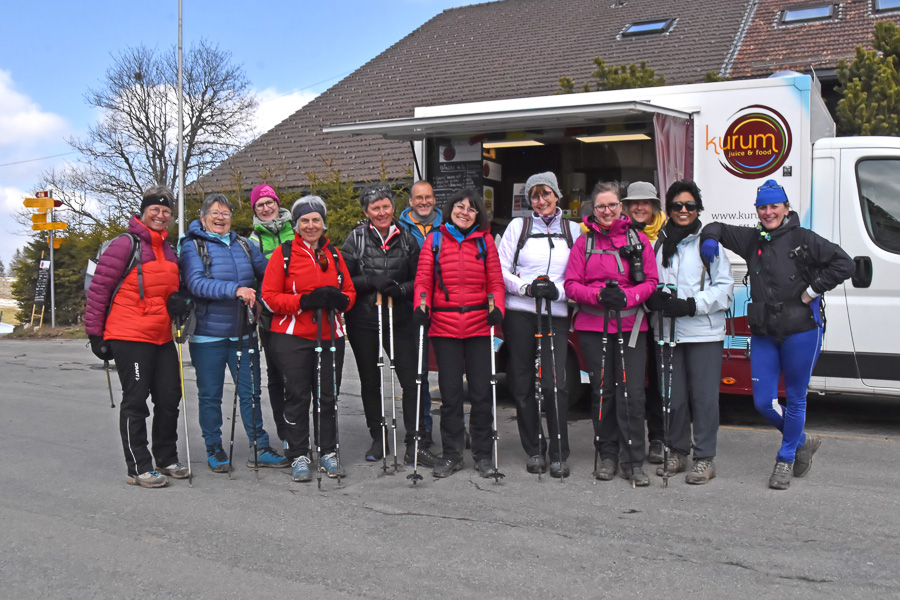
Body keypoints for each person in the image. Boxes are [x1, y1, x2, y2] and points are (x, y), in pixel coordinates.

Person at [701, 179, 853, 490]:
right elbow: (715, 226)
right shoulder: (751, 239)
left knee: (795, 399)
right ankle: (802, 441)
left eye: (774, 206)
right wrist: (709, 240)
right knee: (763, 402)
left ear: (786, 208)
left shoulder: (803, 238)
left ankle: (785, 459)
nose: (768, 212)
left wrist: (813, 290)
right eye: (762, 207)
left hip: (802, 330)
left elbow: (845, 264)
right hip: (764, 333)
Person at [85, 185, 188, 488]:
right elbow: (99, 290)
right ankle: (139, 466)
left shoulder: (169, 249)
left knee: (169, 398)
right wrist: (95, 334)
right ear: (143, 211)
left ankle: (166, 458)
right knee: (136, 401)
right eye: (155, 209)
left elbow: (174, 290)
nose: (161, 215)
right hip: (129, 335)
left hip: (162, 336)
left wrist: (180, 301)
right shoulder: (125, 245)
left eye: (166, 211)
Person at [180, 193, 289, 473]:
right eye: (215, 213)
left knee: (251, 393)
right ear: (203, 217)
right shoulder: (193, 245)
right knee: (210, 395)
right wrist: (235, 290)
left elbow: (268, 275)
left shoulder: (243, 244)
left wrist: (264, 297)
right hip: (208, 336)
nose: (220, 218)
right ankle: (214, 447)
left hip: (244, 331)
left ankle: (259, 446)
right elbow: (196, 283)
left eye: (225, 213)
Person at [564, 181, 659, 486]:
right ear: (593, 209)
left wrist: (628, 297)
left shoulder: (638, 240)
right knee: (602, 392)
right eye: (601, 206)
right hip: (594, 328)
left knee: (632, 393)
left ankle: (633, 460)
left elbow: (651, 281)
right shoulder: (584, 243)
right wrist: (598, 296)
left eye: (612, 205)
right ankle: (607, 455)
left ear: (621, 207)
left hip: (631, 327)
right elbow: (571, 284)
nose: (607, 211)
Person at [342, 183, 440, 467]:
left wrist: (401, 290)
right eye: (375, 208)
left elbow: (419, 278)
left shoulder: (407, 239)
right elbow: (344, 279)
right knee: (370, 381)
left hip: (400, 320)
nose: (382, 212)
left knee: (412, 381)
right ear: (366, 212)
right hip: (364, 321)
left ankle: (415, 441)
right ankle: (378, 436)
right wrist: (370, 281)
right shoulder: (356, 239)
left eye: (386, 206)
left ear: (393, 207)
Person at [261, 196, 356, 482]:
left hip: (329, 336)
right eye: (305, 220)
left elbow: (349, 292)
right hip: (292, 336)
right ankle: (299, 453)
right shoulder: (284, 254)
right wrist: (304, 301)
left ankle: (328, 451)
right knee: (297, 396)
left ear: (323, 224)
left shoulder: (334, 254)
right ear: (296, 224)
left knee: (327, 396)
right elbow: (269, 297)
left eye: (316, 220)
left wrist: (340, 300)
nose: (311, 225)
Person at [644, 180, 733, 484]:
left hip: (703, 333)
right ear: (668, 209)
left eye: (690, 205)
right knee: (673, 398)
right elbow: (649, 281)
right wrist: (652, 298)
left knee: (704, 398)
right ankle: (677, 451)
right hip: (666, 332)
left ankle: (704, 458)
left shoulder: (709, 244)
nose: (684, 210)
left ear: (698, 208)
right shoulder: (658, 244)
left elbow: (725, 289)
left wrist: (691, 304)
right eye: (677, 205)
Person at [414, 188, 505, 478]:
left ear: (478, 214)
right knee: (451, 395)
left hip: (479, 325)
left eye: (471, 208)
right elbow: (423, 280)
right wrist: (421, 306)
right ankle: (452, 454)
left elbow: (496, 281)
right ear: (450, 209)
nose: (464, 212)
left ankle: (483, 454)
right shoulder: (435, 240)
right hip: (444, 327)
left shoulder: (485, 241)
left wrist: (498, 307)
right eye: (460, 206)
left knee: (481, 394)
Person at [497, 172, 581, 478]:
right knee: (522, 383)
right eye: (535, 195)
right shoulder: (518, 227)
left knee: (554, 384)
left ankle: (559, 453)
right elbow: (500, 268)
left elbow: (579, 274)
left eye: (546, 193)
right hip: (520, 310)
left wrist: (558, 291)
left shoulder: (573, 230)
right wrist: (526, 287)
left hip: (555, 312)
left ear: (557, 195)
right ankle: (534, 449)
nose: (541, 200)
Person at [622, 181, 667, 464]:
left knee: (658, 378)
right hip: (631, 315)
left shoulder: (668, 232)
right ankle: (630, 438)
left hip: (660, 315)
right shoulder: (619, 233)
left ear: (654, 207)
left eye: (646, 202)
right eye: (634, 203)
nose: (640, 207)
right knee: (635, 382)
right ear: (626, 207)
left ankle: (658, 438)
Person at [247, 183, 294, 448]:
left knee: (300, 378)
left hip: (300, 314)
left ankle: (303, 432)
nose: (266, 208)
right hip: (270, 318)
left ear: (277, 203)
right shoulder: (252, 241)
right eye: (260, 205)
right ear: (254, 210)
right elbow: (251, 279)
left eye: (269, 202)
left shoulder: (296, 230)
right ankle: (286, 436)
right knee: (277, 377)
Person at [398, 180, 441, 446]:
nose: (424, 202)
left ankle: (456, 427)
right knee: (419, 372)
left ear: (434, 199)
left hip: (446, 305)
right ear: (411, 202)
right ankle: (423, 428)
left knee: (450, 371)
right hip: (414, 307)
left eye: (428, 197)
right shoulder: (400, 229)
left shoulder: (448, 225)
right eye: (419, 198)